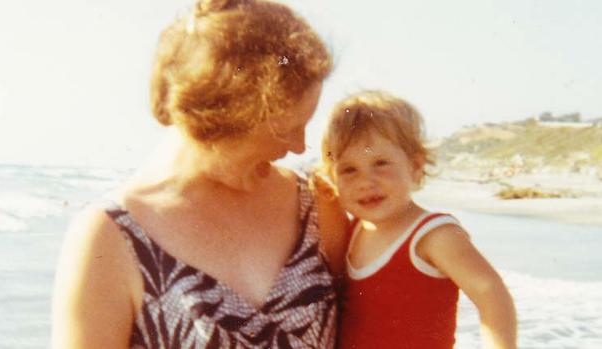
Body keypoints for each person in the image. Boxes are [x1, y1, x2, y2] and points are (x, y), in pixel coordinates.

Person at [51, 1, 349, 348]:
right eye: (285, 130)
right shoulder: (110, 239)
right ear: (220, 124)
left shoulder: (315, 205)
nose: (300, 147)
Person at [320, 91, 517, 349]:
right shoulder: (354, 230)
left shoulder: (434, 235)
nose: (365, 182)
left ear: (415, 167)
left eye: (380, 163)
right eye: (349, 170)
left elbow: (491, 293)